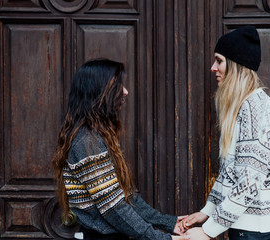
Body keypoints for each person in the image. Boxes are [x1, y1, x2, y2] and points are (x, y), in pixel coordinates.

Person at [52, 58, 189, 240]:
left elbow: (127, 198)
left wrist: (168, 223)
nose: (125, 91)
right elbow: (113, 207)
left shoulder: (99, 136)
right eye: (118, 86)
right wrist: (163, 238)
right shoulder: (86, 141)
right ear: (99, 91)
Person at [182, 25, 270, 240]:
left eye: (219, 60)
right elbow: (231, 173)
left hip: (260, 232)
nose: (213, 67)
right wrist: (207, 212)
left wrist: (207, 232)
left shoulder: (255, 107)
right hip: (253, 229)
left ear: (236, 65)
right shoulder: (244, 106)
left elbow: (248, 184)